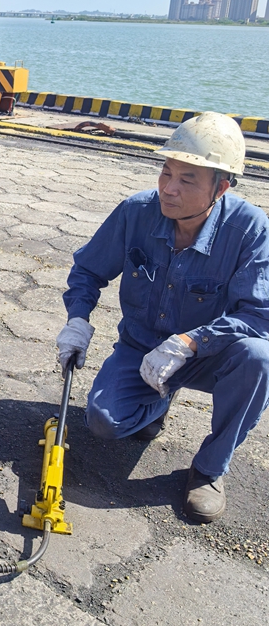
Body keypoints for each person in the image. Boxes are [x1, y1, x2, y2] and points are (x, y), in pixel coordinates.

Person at [55, 111, 269, 523]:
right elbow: (87, 271)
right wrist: (77, 319)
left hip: (209, 354)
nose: (169, 188)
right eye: (166, 172)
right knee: (104, 423)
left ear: (221, 187)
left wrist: (191, 342)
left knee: (259, 358)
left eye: (188, 180)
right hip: (141, 348)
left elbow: (259, 315)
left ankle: (209, 470)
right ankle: (159, 396)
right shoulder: (135, 211)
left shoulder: (250, 229)